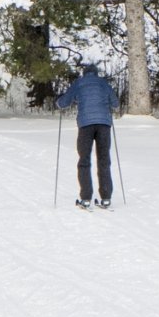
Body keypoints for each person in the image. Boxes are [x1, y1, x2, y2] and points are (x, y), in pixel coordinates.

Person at [58, 61, 119, 208]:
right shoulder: (103, 83)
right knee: (104, 159)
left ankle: (85, 198)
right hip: (104, 125)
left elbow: (64, 102)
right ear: (96, 73)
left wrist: (58, 102)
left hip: (85, 125)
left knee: (84, 160)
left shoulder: (79, 83)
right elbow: (116, 103)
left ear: (84, 73)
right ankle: (106, 197)